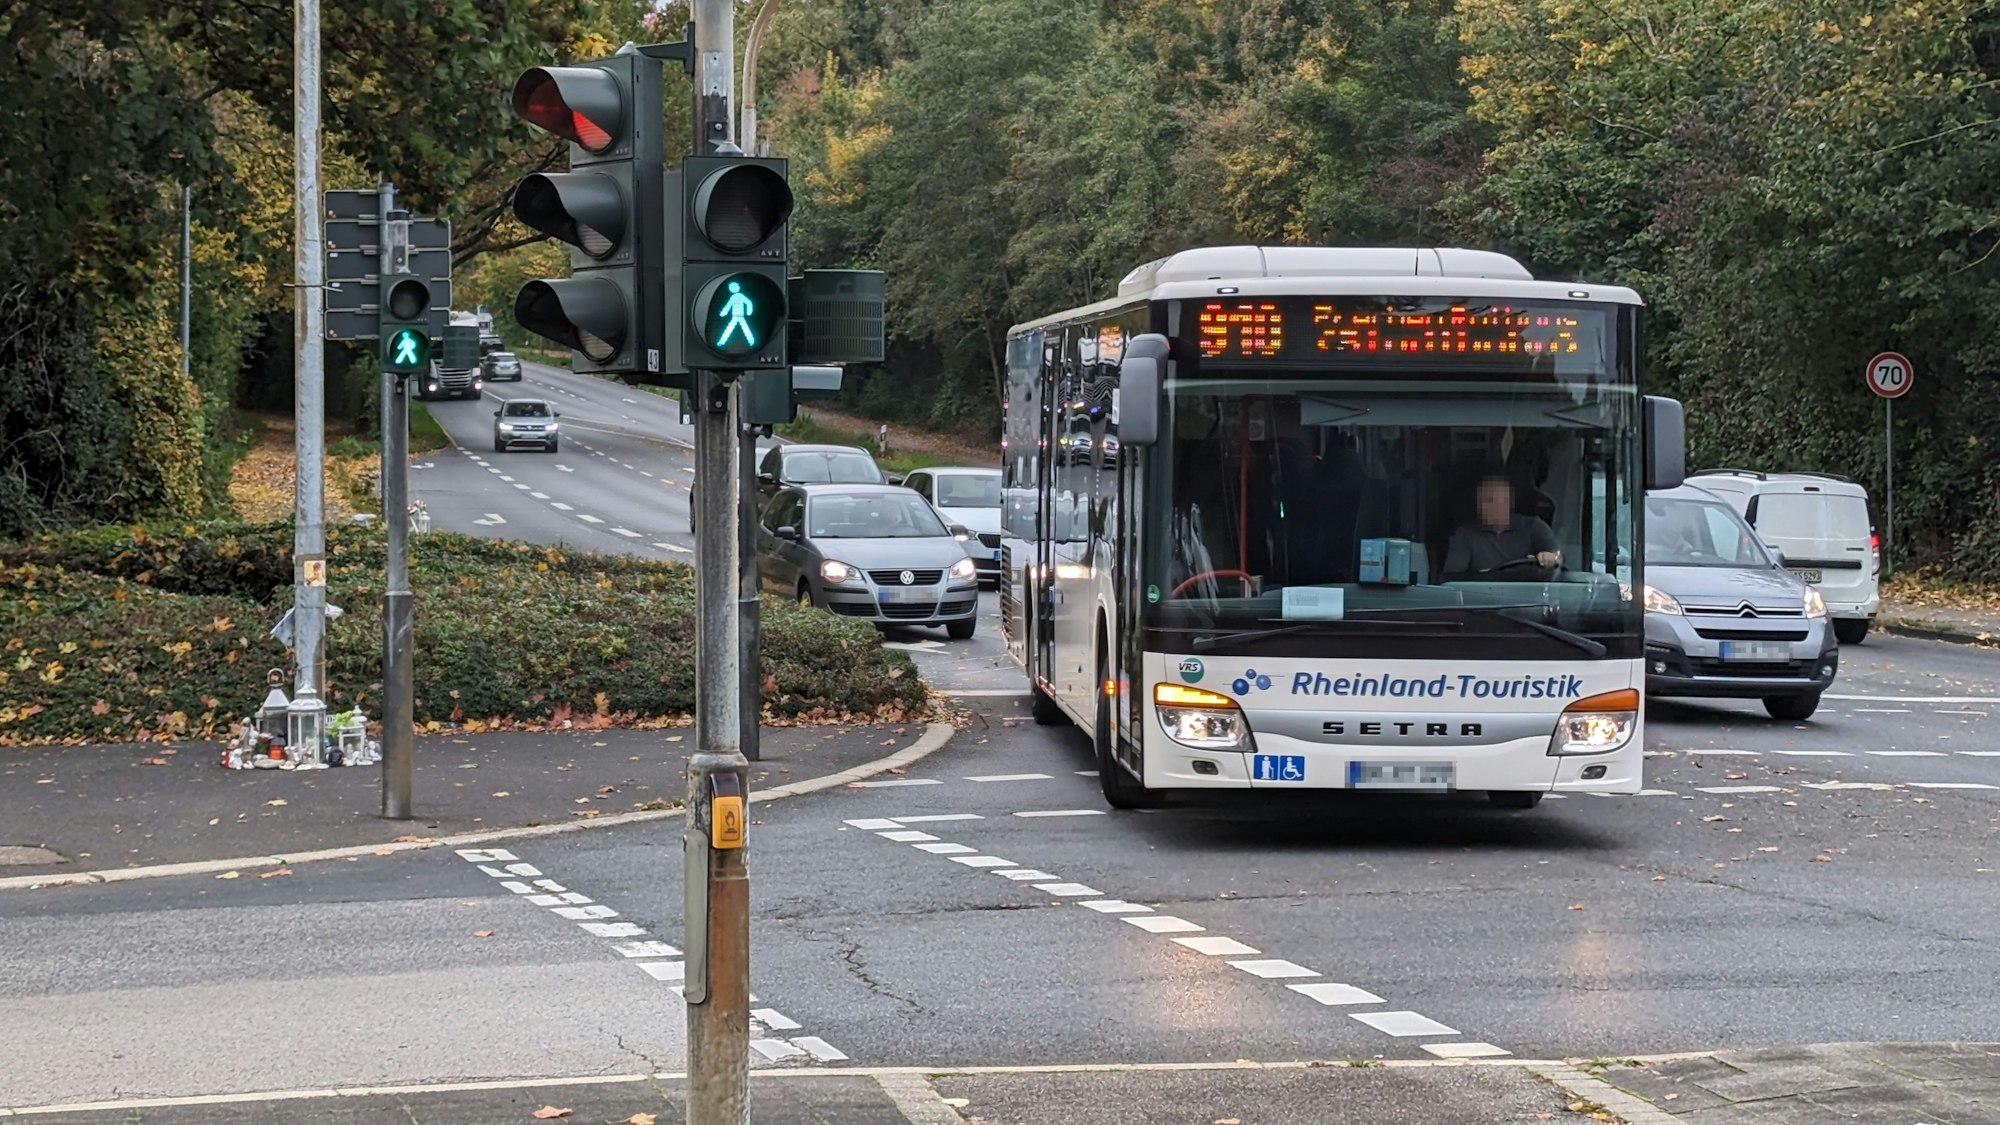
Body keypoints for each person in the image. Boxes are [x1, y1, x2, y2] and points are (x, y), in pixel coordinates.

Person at [1443, 473, 1561, 576]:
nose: (1496, 506)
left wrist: (1549, 559)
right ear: (1479, 506)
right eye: (1489, 501)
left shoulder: (1533, 526)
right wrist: (1480, 578)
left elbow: (1559, 559)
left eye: (1502, 500)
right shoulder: (1465, 535)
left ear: (1510, 503)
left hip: (1528, 597)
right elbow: (1453, 578)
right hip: (1483, 597)